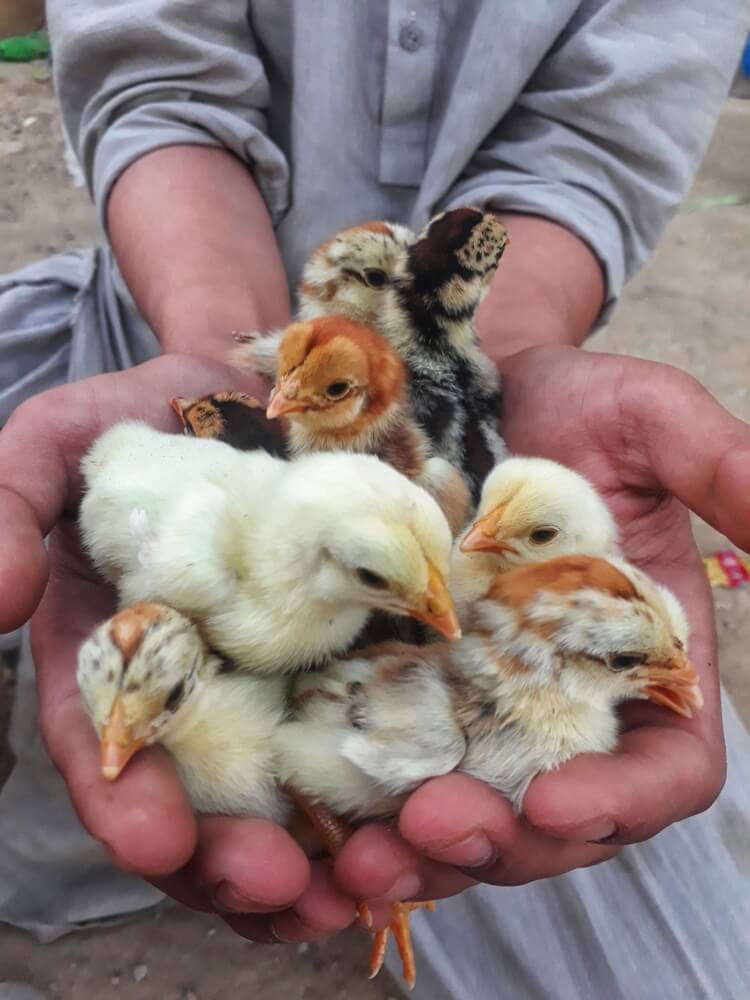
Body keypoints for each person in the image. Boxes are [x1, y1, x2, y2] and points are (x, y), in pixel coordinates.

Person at [0, 2, 749, 997]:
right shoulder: (213, 541)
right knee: (105, 766)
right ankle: (60, 862)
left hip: (388, 429)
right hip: (172, 305)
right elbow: (158, 81)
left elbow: (594, 145)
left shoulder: (444, 502)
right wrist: (225, 349)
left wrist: (489, 350)